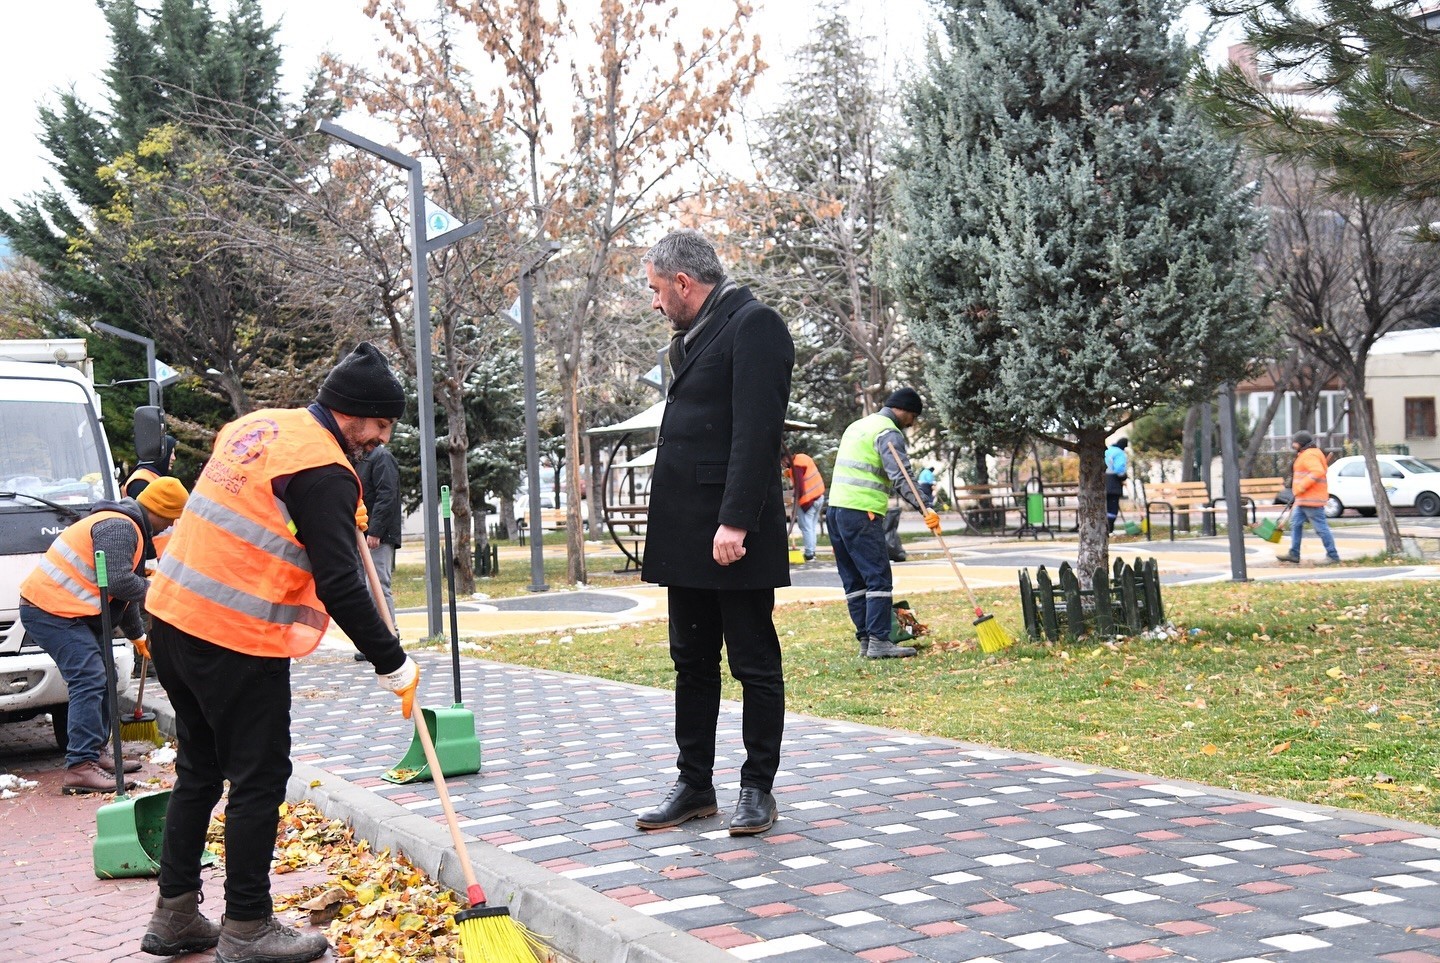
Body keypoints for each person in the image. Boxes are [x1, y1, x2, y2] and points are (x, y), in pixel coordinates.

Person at [139, 343, 419, 962]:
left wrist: (335, 509)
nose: (381, 440)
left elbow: (259, 508)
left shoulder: (257, 426)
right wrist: (391, 659)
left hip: (171, 620)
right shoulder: (324, 469)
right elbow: (342, 583)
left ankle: (175, 914)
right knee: (259, 778)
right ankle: (246, 926)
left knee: (200, 770)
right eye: (382, 426)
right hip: (234, 635)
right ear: (358, 415)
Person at [635, 229, 794, 838]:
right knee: (691, 661)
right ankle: (695, 784)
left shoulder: (755, 325)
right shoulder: (692, 337)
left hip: (733, 531)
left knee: (753, 662)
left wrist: (735, 520)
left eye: (656, 290)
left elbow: (756, 433)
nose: (655, 303)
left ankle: (757, 788)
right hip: (685, 531)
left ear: (683, 283)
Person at [18, 477, 189, 794]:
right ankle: (80, 766)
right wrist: (163, 595)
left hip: (69, 612)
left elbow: (119, 598)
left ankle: (95, 753)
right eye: (172, 517)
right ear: (162, 512)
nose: (171, 525)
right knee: (90, 676)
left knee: (104, 674)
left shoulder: (128, 526)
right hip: (50, 611)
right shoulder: (121, 527)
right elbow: (121, 582)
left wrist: (138, 638)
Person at [826, 388, 942, 660]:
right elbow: (901, 476)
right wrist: (925, 507)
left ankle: (866, 640)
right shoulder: (888, 432)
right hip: (861, 512)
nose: (912, 423)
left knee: (855, 581)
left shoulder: (858, 426)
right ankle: (879, 641)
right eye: (913, 416)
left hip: (836, 511)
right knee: (878, 577)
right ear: (905, 410)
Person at [1279, 430, 1341, 565]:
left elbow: (1317, 472)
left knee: (1321, 528)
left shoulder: (1309, 455)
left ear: (1301, 443)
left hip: (1311, 499)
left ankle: (1333, 555)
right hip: (1303, 499)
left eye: (1295, 442)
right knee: (1295, 524)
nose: (1293, 445)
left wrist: (1302, 486)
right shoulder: (1310, 453)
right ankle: (1294, 554)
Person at [357, 443, 402, 626]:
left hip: (376, 536)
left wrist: (375, 531)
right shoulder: (360, 459)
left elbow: (387, 495)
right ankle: (376, 639)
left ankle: (391, 634)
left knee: (377, 586)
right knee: (365, 589)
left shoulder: (381, 457)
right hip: (361, 534)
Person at [781, 449, 826, 563]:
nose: (782, 465)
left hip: (808, 501)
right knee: (811, 527)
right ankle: (812, 552)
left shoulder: (796, 467)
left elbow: (800, 488)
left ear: (785, 459)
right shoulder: (802, 457)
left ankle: (809, 554)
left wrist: (794, 503)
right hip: (819, 496)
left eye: (781, 462)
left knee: (806, 527)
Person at [123, 435, 178, 499]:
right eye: (170, 453)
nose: (174, 458)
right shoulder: (141, 482)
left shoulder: (152, 476)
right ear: (159, 454)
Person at [1105, 437, 1130, 534]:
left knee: (1105, 506)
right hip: (1113, 484)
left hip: (1102, 483)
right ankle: (1109, 527)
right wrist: (1123, 477)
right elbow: (1119, 469)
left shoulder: (1107, 451)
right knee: (1112, 507)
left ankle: (1104, 527)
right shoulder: (1120, 453)